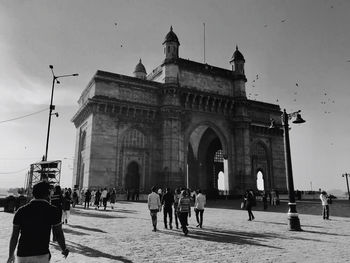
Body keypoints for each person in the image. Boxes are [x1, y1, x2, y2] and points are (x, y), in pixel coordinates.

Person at [7, 181, 69, 263]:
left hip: (22, 254)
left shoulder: (21, 211)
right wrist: (64, 249)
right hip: (41, 254)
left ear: (33, 194)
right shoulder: (53, 211)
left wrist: (11, 254)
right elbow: (58, 233)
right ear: (47, 194)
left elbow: (14, 236)